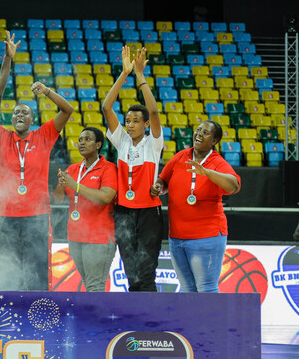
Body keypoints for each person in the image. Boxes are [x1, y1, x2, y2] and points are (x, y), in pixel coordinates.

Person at [0, 35, 74, 291]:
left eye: (25, 112)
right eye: (15, 112)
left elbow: (67, 110)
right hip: (5, 215)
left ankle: (37, 313)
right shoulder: (0, 136)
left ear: (31, 119)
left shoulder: (44, 136)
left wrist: (47, 91)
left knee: (37, 269)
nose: (19, 115)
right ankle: (10, 315)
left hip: (37, 215)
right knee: (7, 270)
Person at [102, 46, 165, 292]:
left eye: (135, 121)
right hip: (124, 211)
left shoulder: (154, 143)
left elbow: (154, 110)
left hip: (149, 212)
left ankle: (149, 323)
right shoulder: (122, 141)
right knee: (131, 270)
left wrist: (140, 76)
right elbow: (107, 108)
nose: (129, 125)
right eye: (127, 121)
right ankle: (135, 319)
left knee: (146, 269)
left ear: (146, 124)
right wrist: (124, 74)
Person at [150, 120, 240, 292]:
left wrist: (207, 173)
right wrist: (158, 187)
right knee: (187, 288)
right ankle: (190, 320)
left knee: (206, 288)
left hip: (206, 236)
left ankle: (212, 320)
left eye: (206, 133)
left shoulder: (217, 162)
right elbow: (163, 180)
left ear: (214, 141)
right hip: (176, 237)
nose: (199, 134)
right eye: (198, 130)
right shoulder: (181, 156)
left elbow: (234, 185)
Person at [52, 127, 118, 291]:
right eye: (80, 139)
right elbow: (58, 200)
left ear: (98, 145)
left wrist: (75, 186)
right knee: (88, 284)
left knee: (96, 286)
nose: (82, 143)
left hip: (99, 238)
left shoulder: (108, 168)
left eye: (87, 139)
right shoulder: (73, 169)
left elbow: (105, 197)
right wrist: (61, 184)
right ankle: (93, 317)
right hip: (75, 236)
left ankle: (97, 317)